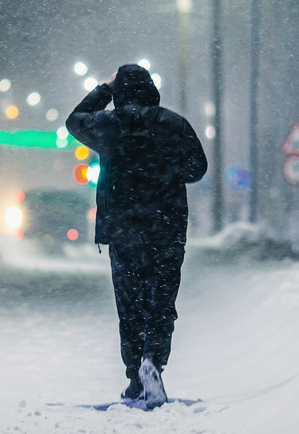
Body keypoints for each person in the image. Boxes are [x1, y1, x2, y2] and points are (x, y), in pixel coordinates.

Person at [66, 64, 207, 409]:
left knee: (130, 304)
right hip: (166, 228)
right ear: (151, 89)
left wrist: (103, 87)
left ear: (120, 92)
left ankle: (134, 378)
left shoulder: (107, 126)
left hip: (124, 229)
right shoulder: (174, 124)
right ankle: (153, 364)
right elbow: (197, 168)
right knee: (161, 302)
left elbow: (74, 120)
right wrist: (167, 171)